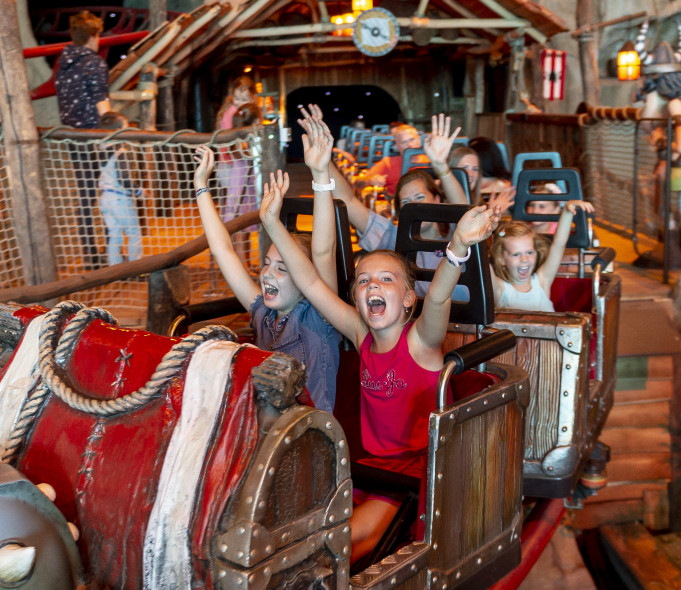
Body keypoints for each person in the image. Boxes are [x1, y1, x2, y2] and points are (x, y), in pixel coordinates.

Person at [259, 161, 497, 564]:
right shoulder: (360, 333)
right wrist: (271, 223)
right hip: (365, 468)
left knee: (341, 544)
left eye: (387, 280)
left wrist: (457, 247)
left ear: (407, 298)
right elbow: (312, 283)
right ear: (357, 297)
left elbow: (437, 297)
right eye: (365, 280)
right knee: (300, 530)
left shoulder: (421, 341)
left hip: (412, 475)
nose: (373, 285)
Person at [189, 107, 342, 411]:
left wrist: (320, 174)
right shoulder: (263, 312)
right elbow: (223, 250)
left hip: (306, 436)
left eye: (282, 268)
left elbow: (324, 251)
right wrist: (202, 186)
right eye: (267, 264)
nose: (268, 274)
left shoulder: (319, 318)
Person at [55, 11, 113, 266]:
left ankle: (90, 254)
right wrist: (113, 134)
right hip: (96, 136)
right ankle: (113, 251)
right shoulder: (95, 62)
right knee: (111, 191)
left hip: (73, 136)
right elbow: (102, 101)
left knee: (86, 195)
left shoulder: (63, 61)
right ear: (93, 36)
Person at [489, 200, 595, 312]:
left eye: (530, 252)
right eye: (516, 254)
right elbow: (480, 263)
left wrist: (567, 211)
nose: (524, 259)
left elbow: (559, 244)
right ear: (501, 259)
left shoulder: (542, 281)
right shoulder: (500, 290)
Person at [96, 113, 144, 266]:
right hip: (119, 198)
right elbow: (124, 179)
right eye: (125, 126)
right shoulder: (121, 152)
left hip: (105, 198)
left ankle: (114, 268)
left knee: (114, 234)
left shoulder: (101, 148)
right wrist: (139, 191)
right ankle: (136, 267)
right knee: (134, 233)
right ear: (118, 130)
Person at [217, 76, 260, 228]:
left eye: (244, 98)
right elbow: (231, 142)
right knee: (235, 206)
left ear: (252, 98)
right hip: (232, 164)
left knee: (245, 205)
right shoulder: (232, 113)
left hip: (245, 164)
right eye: (236, 98)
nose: (239, 102)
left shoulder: (250, 112)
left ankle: (245, 232)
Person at [359, 123, 421, 197]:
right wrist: (370, 180)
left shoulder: (432, 160)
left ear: (419, 140)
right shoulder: (389, 163)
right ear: (396, 146)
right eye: (404, 142)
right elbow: (357, 182)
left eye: (412, 139)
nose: (410, 144)